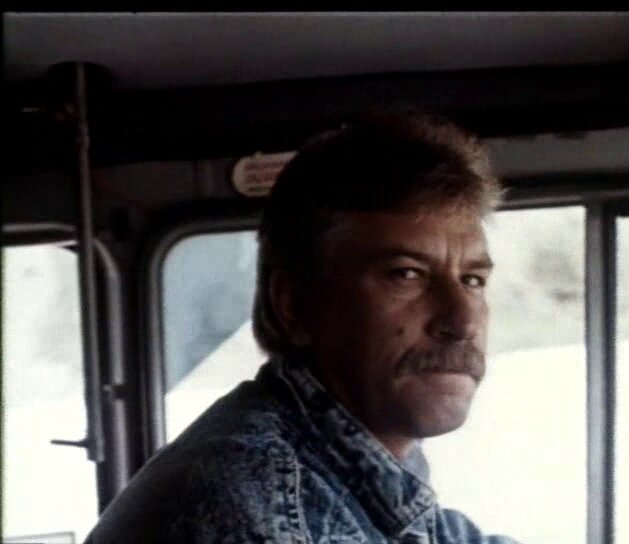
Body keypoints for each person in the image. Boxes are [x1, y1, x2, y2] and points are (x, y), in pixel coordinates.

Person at [85, 111, 520, 543]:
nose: (463, 321)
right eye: (406, 274)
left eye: (472, 280)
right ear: (293, 305)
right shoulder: (253, 506)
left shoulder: (363, 464)